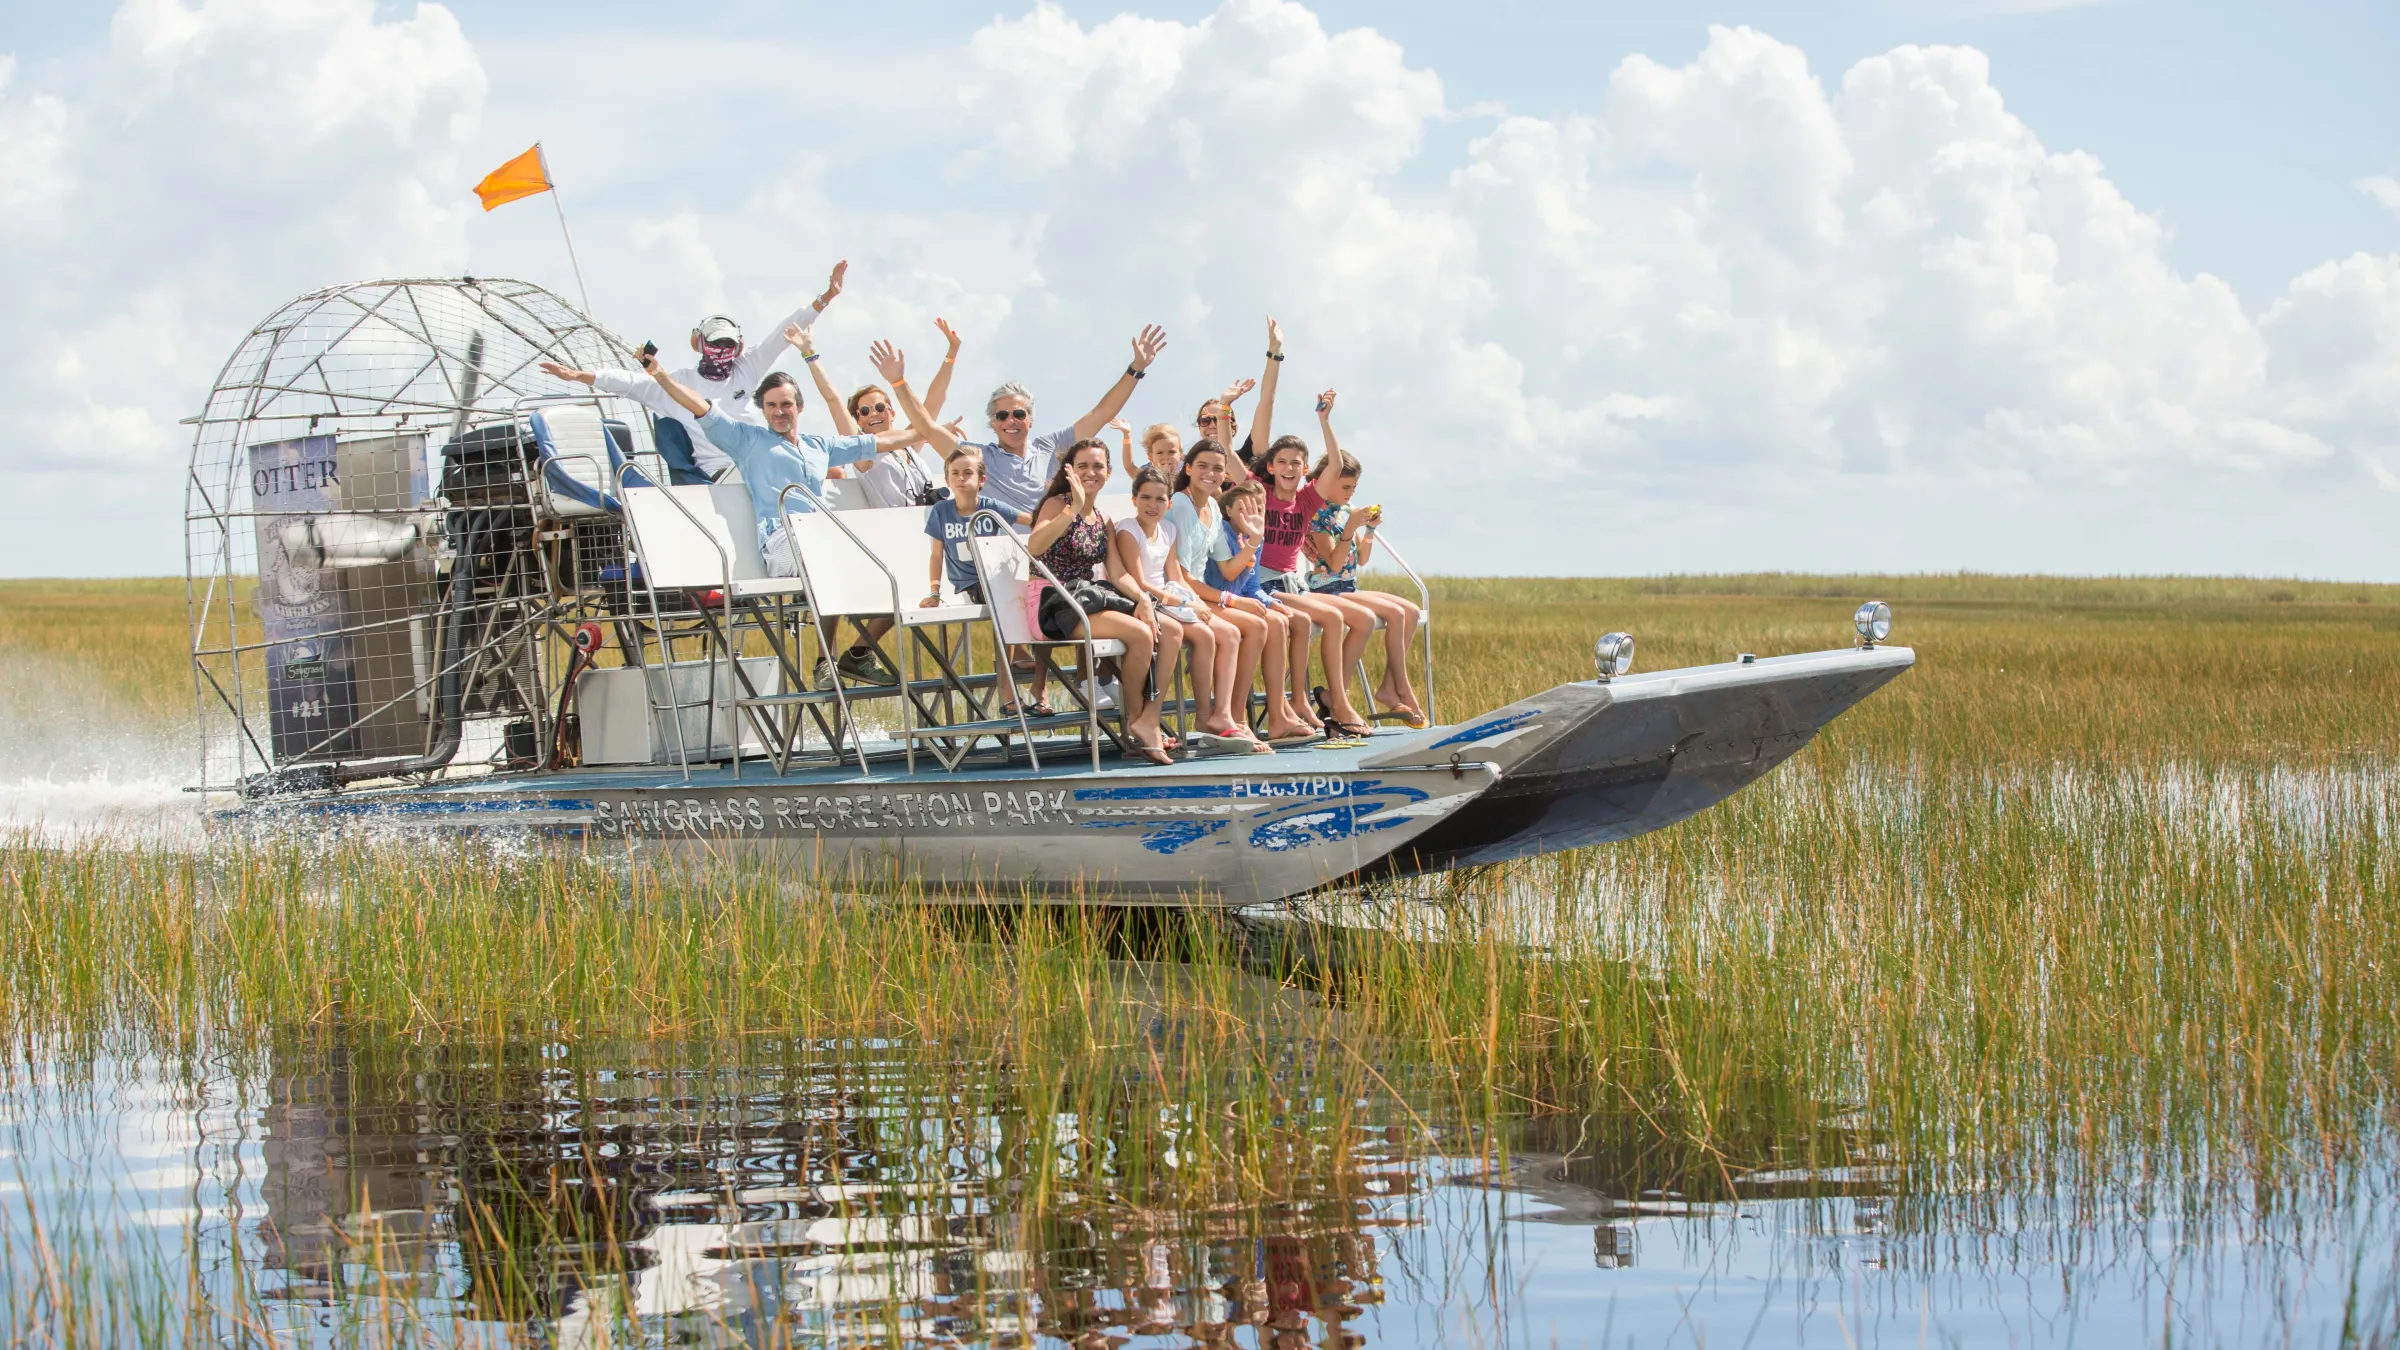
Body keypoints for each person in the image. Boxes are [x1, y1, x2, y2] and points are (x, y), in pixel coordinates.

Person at [558, 349, 920, 686]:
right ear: (762, 409)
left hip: (817, 540)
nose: (780, 411)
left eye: (787, 404)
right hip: (781, 543)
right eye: (772, 405)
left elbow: (886, 441)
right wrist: (662, 377)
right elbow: (700, 407)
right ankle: (828, 662)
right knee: (830, 557)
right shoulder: (747, 439)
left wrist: (932, 431)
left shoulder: (818, 446)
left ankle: (857, 653)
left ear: (799, 407)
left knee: (888, 566)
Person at [540, 261, 848, 481]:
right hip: (722, 473)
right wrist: (577, 375)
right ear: (698, 344)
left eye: (728, 345)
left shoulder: (747, 367)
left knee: (835, 471)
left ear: (738, 348)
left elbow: (784, 332)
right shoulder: (678, 383)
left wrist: (826, 298)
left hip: (762, 459)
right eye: (714, 344)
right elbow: (627, 382)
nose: (721, 352)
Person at [1246, 325, 1372, 737]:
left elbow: (1333, 466)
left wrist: (1324, 420)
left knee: (1335, 619)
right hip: (1263, 583)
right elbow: (1265, 407)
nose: (1289, 468)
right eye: (1281, 462)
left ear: (1304, 470)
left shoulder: (1304, 500)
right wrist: (1274, 356)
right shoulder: (1260, 490)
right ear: (1270, 467)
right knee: (1314, 620)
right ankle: (1299, 699)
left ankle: (1337, 702)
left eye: (1297, 463)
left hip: (1293, 582)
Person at [1023, 439, 1173, 762]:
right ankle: (1139, 722)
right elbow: (1034, 547)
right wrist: (1072, 509)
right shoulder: (1057, 504)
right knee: (1139, 634)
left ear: (1108, 471)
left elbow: (1118, 574)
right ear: (1071, 471)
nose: (1091, 472)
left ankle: (1139, 721)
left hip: (1082, 599)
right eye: (1083, 466)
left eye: (1098, 466)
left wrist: (1142, 599)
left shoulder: (1103, 519)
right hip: (1052, 602)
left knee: (1146, 627)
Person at [931, 324, 1170, 526]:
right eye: (1002, 415)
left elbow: (1101, 413)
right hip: (1002, 559)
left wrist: (1136, 368)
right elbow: (926, 426)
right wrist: (901, 380)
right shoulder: (977, 457)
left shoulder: (1052, 445)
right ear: (993, 423)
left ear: (1031, 419)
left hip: (1052, 556)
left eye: (1018, 413)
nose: (1010, 421)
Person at [1172, 439, 1312, 742]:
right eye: (1203, 466)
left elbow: (1231, 570)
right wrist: (1232, 599)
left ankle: (1272, 716)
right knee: (1253, 625)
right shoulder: (1181, 506)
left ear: (1225, 476)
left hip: (1203, 594)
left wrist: (1254, 538)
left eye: (1218, 469)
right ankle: (1231, 717)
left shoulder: (1209, 506)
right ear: (1188, 468)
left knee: (1274, 619)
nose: (1211, 473)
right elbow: (1183, 577)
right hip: (1185, 594)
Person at [1113, 467, 1261, 749]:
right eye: (1145, 498)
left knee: (1208, 635)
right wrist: (1186, 602)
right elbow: (1140, 581)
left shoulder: (1168, 529)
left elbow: (1175, 576)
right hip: (1141, 600)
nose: (1152, 505)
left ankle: (1206, 717)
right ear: (1134, 500)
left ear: (1168, 504)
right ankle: (1149, 716)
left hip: (1170, 597)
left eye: (1159, 500)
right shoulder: (1127, 530)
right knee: (1173, 633)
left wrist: (1191, 599)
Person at [1303, 419, 1424, 724]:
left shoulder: (1346, 512)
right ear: (1325, 481)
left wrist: (1367, 530)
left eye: (1354, 487)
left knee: (1408, 610)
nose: (1350, 493)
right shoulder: (1319, 515)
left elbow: (1362, 559)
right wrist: (1350, 528)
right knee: (1391, 615)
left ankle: (1387, 687)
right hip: (1326, 591)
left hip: (1348, 587)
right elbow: (1332, 562)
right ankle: (1400, 691)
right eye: (1345, 486)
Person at [1202, 480, 1320, 740]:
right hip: (1214, 599)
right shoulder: (1221, 533)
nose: (1253, 514)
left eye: (1258, 508)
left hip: (1236, 600)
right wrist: (1252, 542)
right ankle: (1238, 716)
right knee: (1269, 624)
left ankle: (1279, 713)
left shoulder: (1255, 534)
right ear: (1229, 510)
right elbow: (1222, 579)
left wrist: (1268, 602)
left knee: (1283, 619)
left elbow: (1252, 585)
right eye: (1244, 508)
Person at [807, 317, 964, 508]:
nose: (873, 414)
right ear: (858, 421)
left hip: (931, 528)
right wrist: (809, 354)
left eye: (880, 408)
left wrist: (952, 352)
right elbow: (833, 400)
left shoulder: (910, 442)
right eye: (864, 411)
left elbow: (934, 400)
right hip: (893, 531)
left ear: (892, 412)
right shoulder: (862, 453)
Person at [921, 450, 1001, 607]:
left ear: (981, 480)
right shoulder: (941, 510)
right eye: (955, 473)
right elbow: (937, 555)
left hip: (998, 579)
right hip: (972, 585)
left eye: (968, 473)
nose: (961, 478)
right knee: (999, 597)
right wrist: (935, 594)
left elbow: (1032, 520)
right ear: (947, 480)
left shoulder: (992, 506)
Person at [1115, 418, 1183, 482]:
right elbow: (1129, 467)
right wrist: (1127, 435)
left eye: (1171, 452)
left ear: (1180, 455)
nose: (1166, 457)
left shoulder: (1186, 474)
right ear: (1151, 457)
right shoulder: (1149, 477)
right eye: (1160, 452)